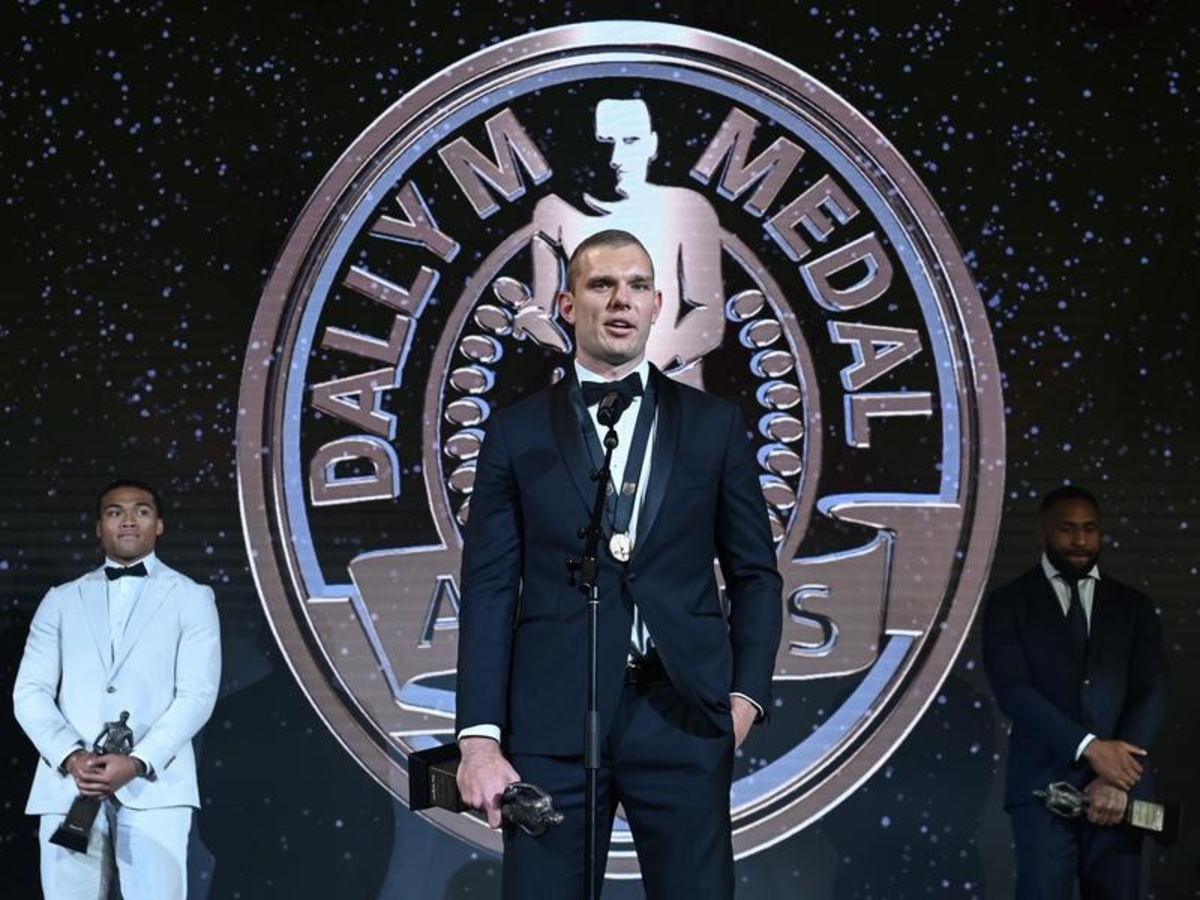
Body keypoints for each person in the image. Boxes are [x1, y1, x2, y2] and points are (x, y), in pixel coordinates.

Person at [455, 228, 783, 899]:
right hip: (554, 720)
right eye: (601, 284)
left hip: (682, 714)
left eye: (637, 286)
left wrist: (744, 700)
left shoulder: (713, 424)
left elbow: (754, 574)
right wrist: (479, 740)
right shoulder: (517, 432)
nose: (620, 300)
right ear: (567, 305)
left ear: (658, 305)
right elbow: (489, 587)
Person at [13, 478, 222, 899]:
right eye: (115, 512)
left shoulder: (193, 597)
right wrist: (72, 756)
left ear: (159, 525)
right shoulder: (61, 600)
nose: (128, 520)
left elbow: (197, 695)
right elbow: (30, 691)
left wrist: (139, 761)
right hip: (69, 785)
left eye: (141, 511)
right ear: (98, 527)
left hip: (156, 787)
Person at [982, 485, 1169, 899]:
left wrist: (1116, 776)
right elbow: (1013, 690)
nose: (1080, 540)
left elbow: (1152, 691)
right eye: (1067, 529)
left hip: (1123, 792)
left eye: (1089, 528)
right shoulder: (1008, 603)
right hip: (1041, 786)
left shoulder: (1133, 606)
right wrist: (1089, 747)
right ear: (1043, 530)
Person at [511, 98, 727, 390]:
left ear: (652, 144)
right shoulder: (554, 211)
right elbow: (543, 307)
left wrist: (638, 372)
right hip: (582, 395)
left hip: (671, 394)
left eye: (630, 141)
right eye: (605, 142)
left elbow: (708, 317)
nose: (616, 157)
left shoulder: (688, 208)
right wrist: (536, 323)